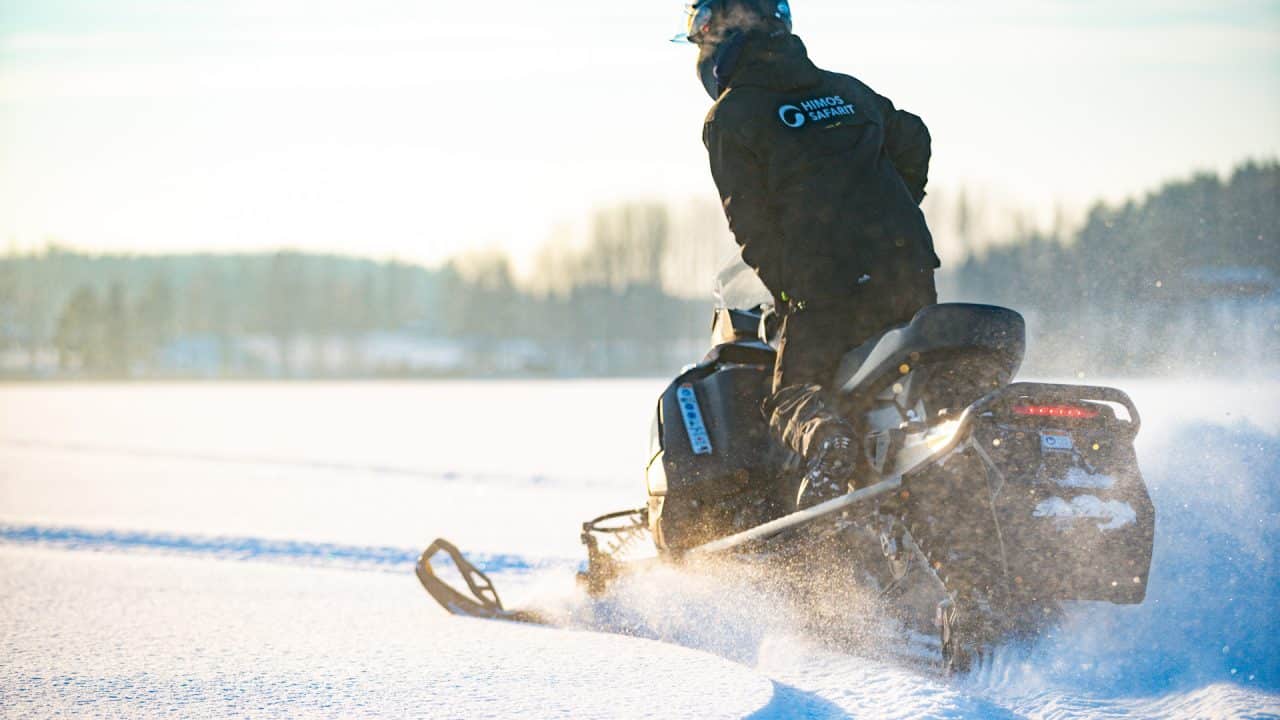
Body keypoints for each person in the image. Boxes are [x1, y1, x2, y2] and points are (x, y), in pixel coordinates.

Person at [679, 0, 941, 508]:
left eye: (702, 35)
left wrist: (790, 289)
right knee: (902, 381)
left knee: (792, 396)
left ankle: (830, 445)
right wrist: (894, 215)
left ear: (719, 39)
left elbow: (750, 225)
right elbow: (913, 136)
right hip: (906, 269)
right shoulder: (846, 91)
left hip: (825, 286)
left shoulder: (731, 116)